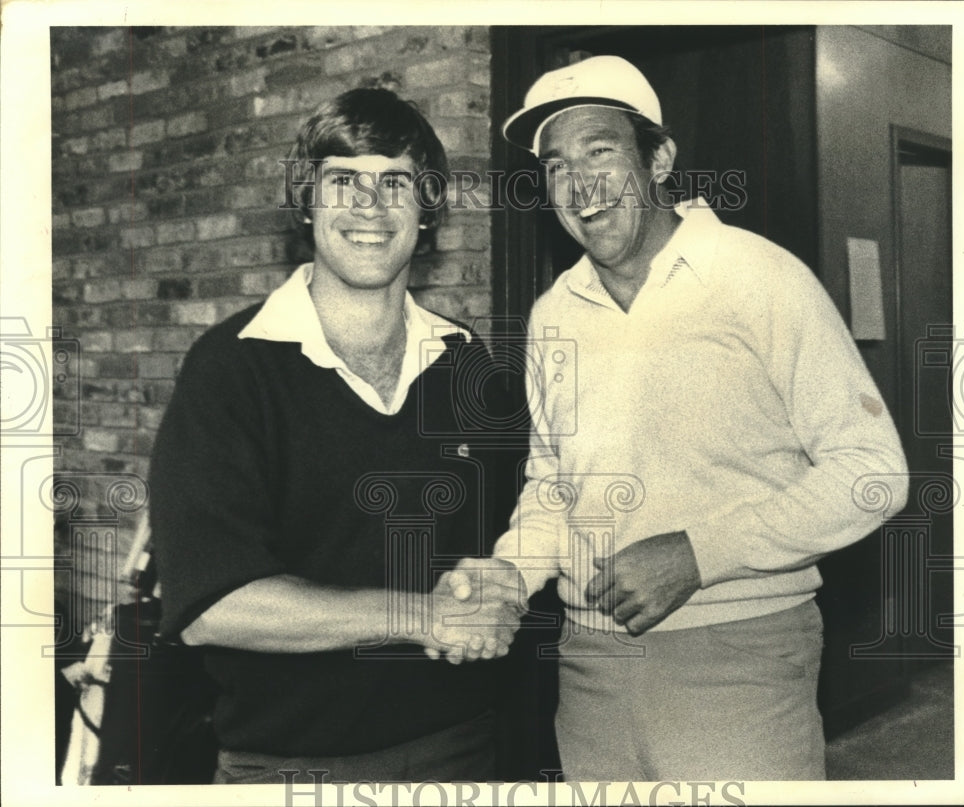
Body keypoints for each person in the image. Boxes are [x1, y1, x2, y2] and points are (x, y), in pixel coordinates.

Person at [445, 55, 909, 781]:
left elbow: (873, 473)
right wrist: (508, 571)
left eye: (602, 151)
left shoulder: (760, 276)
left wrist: (700, 551)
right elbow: (554, 488)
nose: (580, 185)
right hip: (588, 667)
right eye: (557, 166)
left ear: (658, 158)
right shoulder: (553, 313)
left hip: (740, 654)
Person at [149, 88, 524, 784]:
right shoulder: (231, 368)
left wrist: (506, 578)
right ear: (307, 202)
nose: (369, 207)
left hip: (461, 751)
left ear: (428, 209)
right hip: (287, 769)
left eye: (395, 183)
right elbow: (210, 607)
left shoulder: (468, 362)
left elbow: (508, 538)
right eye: (343, 180)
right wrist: (421, 616)